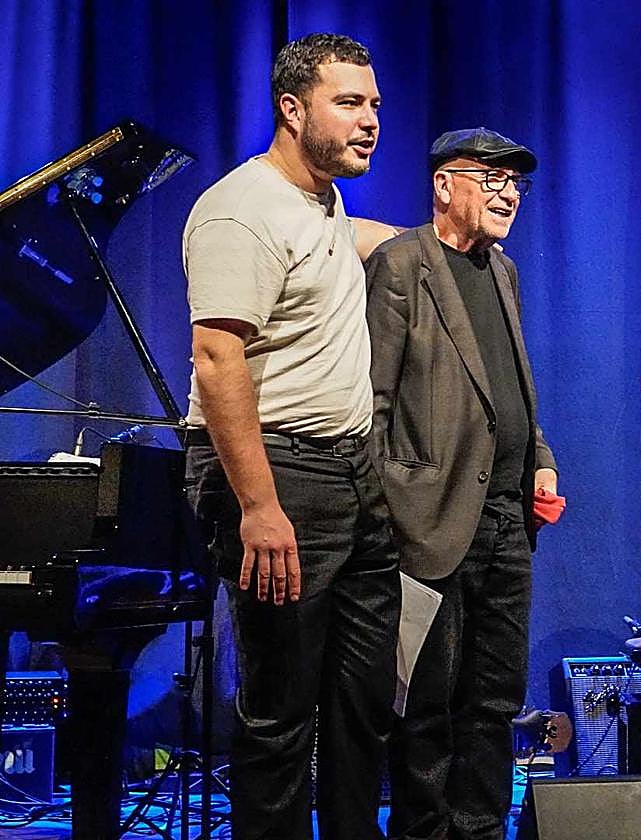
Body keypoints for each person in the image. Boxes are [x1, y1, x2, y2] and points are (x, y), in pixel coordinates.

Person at [182, 33, 399, 840]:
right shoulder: (244, 211)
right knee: (281, 714)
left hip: (351, 476)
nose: (371, 120)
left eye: (375, 103)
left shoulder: (319, 199)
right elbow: (216, 357)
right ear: (291, 108)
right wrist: (260, 508)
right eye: (350, 103)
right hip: (279, 475)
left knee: (361, 703)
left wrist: (432, 238)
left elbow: (340, 242)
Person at [365, 127, 559, 840]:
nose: (509, 192)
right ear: (445, 184)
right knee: (429, 702)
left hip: (506, 520)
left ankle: (480, 829)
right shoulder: (400, 264)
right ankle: (422, 832)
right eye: (492, 178)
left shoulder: (503, 271)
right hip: (430, 521)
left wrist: (539, 453)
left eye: (517, 182)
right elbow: (373, 404)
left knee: (496, 695)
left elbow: (511, 384)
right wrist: (393, 511)